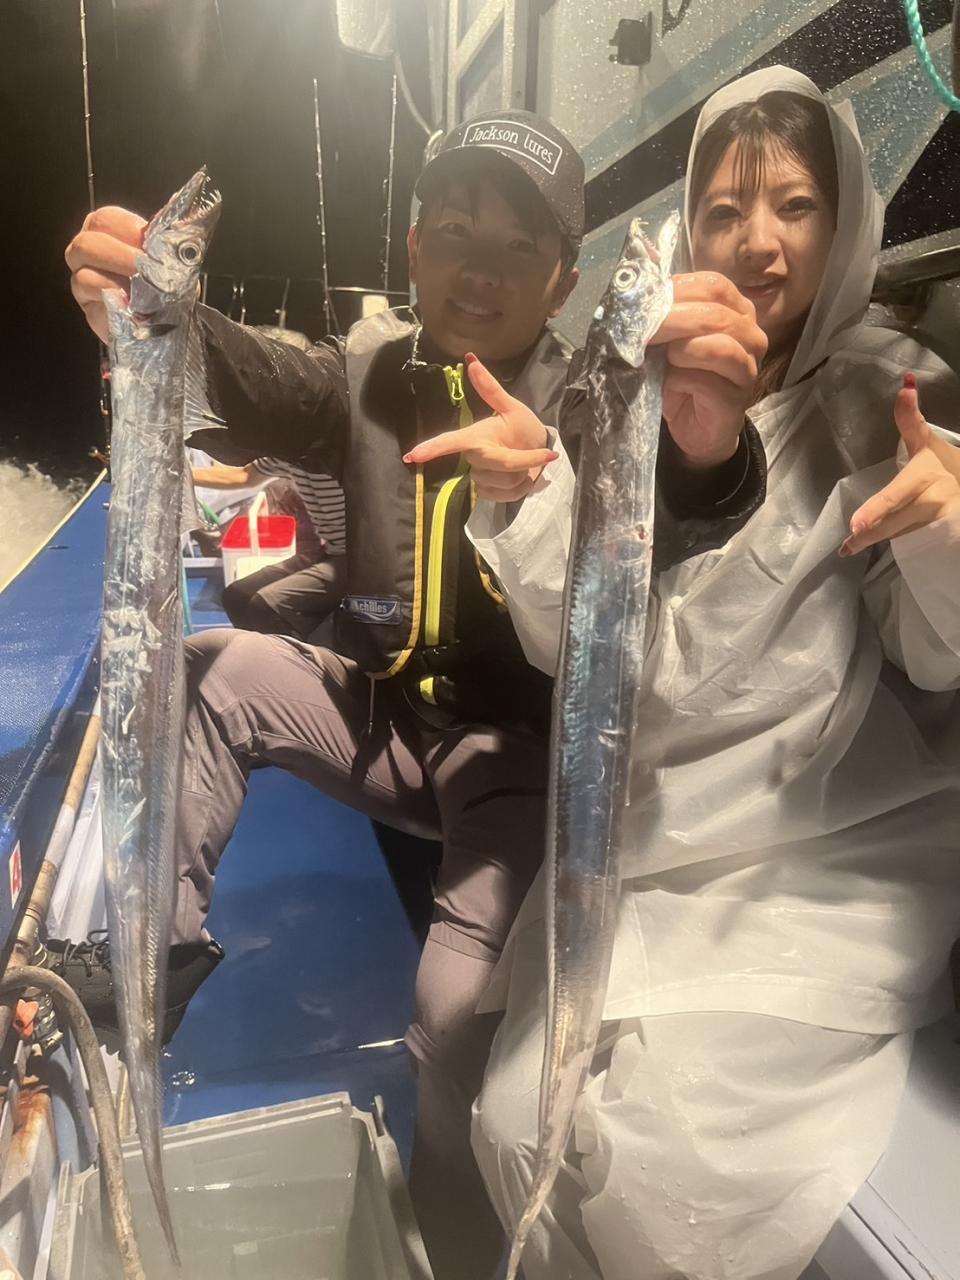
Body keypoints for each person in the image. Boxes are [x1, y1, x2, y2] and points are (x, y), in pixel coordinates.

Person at [64, 108, 769, 1278]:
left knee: (449, 1014)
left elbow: (692, 496)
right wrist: (157, 314)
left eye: (516, 245)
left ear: (564, 279)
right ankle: (159, 954)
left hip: (519, 771)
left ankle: (455, 1203)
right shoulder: (362, 374)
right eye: (454, 231)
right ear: (412, 247)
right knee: (211, 671)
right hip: (388, 723)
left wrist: (709, 453)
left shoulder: (593, 400)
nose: (478, 268)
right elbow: (250, 375)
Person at [462, 68, 960, 1280]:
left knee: (669, 1169)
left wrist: (947, 534)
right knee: (512, 1118)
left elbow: (934, 651)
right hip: (644, 847)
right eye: (724, 211)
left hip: (816, 867)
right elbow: (577, 643)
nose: (757, 243)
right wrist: (527, 498)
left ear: (845, 223)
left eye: (795, 205)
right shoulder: (628, 387)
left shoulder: (891, 398)